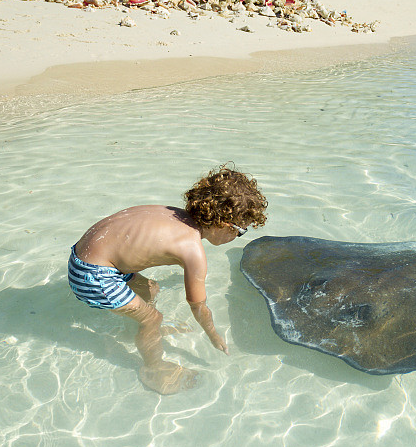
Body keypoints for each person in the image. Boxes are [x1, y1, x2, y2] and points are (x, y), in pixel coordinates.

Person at [67, 165, 267, 394]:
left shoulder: (173, 213)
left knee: (150, 289)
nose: (237, 237)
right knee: (153, 319)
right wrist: (213, 335)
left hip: (83, 257)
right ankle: (154, 368)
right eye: (241, 231)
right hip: (93, 276)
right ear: (223, 224)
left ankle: (137, 332)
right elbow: (198, 306)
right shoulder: (192, 249)